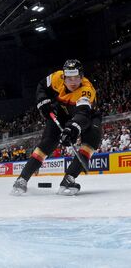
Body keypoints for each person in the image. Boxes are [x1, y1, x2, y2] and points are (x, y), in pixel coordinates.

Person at [12, 59, 102, 196]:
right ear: (63, 77)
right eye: (69, 78)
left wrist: (72, 129)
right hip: (61, 112)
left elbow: (83, 114)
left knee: (92, 139)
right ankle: (22, 179)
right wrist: (42, 100)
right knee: (47, 143)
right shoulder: (56, 77)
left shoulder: (86, 91)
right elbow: (42, 85)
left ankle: (69, 178)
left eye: (76, 78)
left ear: (82, 77)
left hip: (87, 115)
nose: (72, 82)